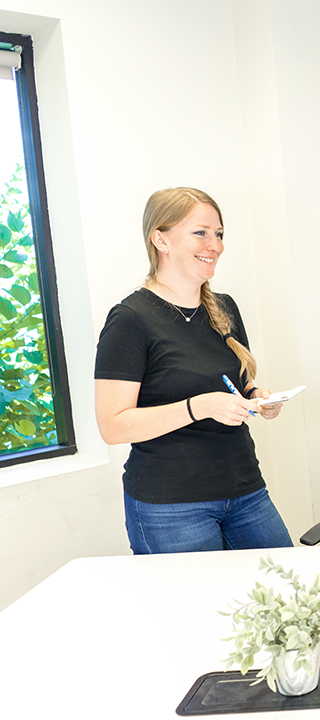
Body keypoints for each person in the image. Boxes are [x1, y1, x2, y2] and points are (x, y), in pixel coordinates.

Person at [94, 187, 293, 554]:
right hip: (170, 505)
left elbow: (237, 385)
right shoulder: (130, 319)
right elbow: (112, 425)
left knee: (289, 596)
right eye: (200, 232)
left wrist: (257, 398)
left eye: (219, 234)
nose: (214, 244)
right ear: (161, 240)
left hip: (246, 490)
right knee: (195, 610)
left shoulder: (225, 307)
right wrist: (197, 407)